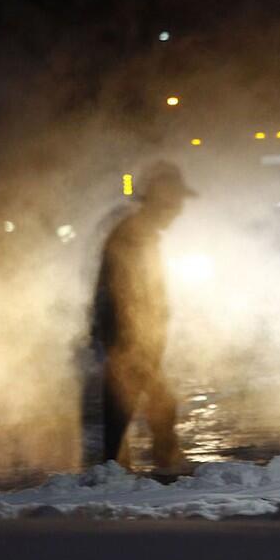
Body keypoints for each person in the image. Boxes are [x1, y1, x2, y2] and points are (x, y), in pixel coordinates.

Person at [91, 161, 195, 470]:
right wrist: (130, 336)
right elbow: (125, 291)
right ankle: (158, 463)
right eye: (176, 201)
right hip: (130, 335)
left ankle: (118, 466)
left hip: (133, 335)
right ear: (160, 199)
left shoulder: (140, 233)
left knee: (129, 402)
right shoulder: (134, 235)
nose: (179, 210)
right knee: (144, 402)